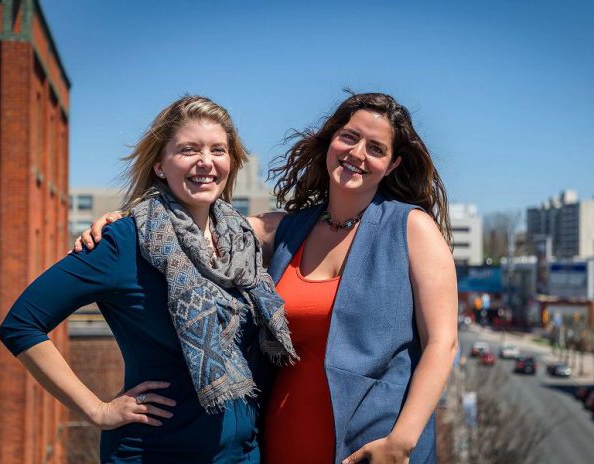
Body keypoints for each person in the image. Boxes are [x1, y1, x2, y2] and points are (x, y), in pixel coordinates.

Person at [78, 92, 458, 463]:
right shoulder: (287, 231)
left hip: (373, 445)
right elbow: (195, 223)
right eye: (349, 137)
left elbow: (443, 342)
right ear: (331, 142)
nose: (357, 154)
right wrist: (125, 223)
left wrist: (401, 442)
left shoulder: (411, 229)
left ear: (392, 165)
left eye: (376, 148)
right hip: (278, 440)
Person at [0, 96, 295, 464]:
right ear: (159, 164)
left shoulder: (243, 241)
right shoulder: (123, 240)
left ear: (230, 163)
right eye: (188, 149)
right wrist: (98, 410)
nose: (205, 161)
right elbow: (21, 324)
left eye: (218, 149)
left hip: (243, 453)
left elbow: (330, 218)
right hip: (156, 452)